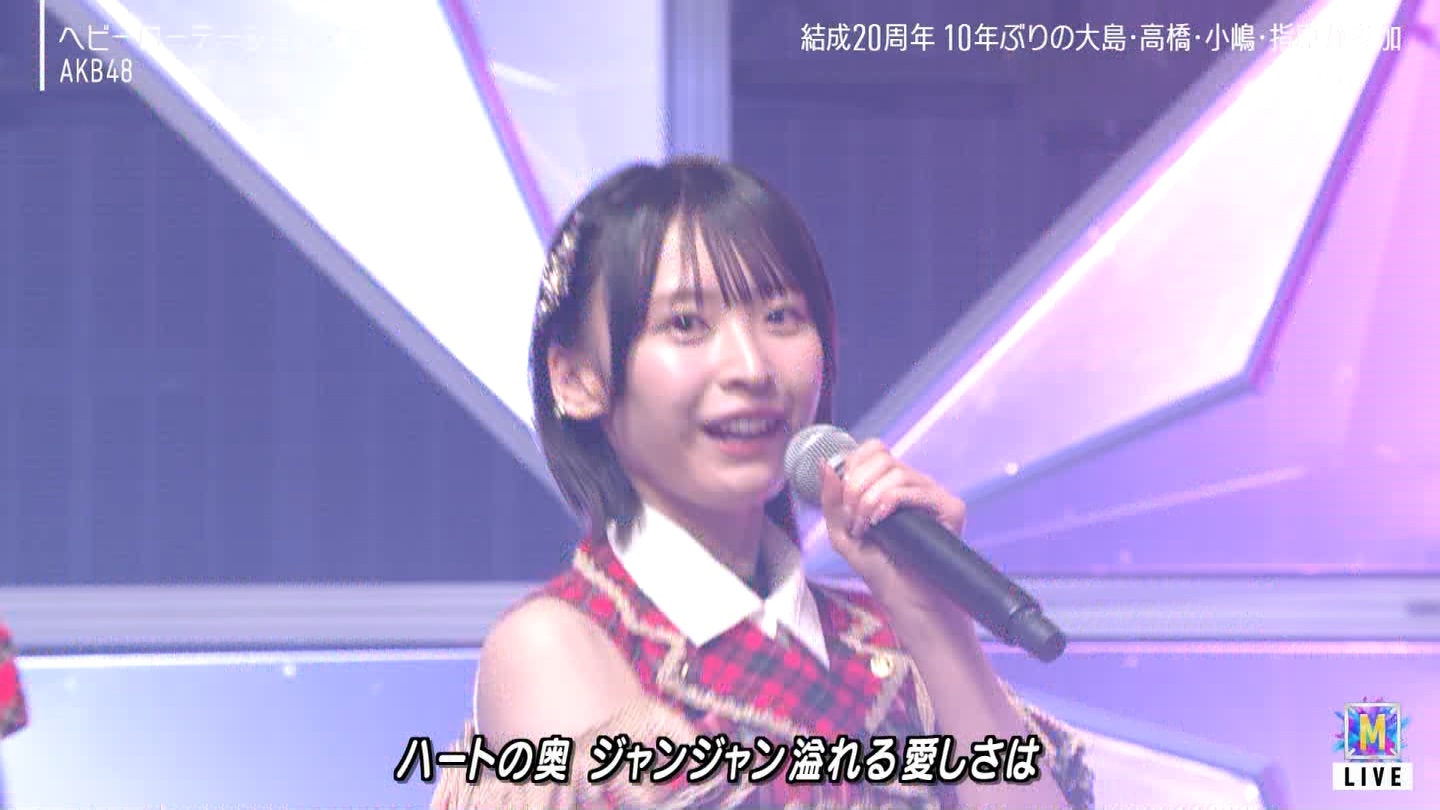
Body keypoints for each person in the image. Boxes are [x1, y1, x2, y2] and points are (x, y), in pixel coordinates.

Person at [431, 157, 1094, 809]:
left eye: (780, 316)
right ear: (577, 380)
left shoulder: (883, 640)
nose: (751, 367)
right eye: (685, 324)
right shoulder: (559, 643)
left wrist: (936, 625)